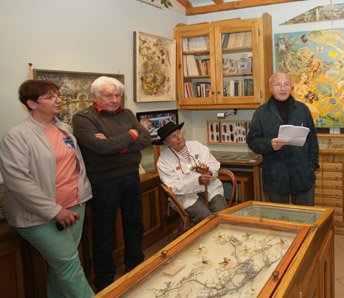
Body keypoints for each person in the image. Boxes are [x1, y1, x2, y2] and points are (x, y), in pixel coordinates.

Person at [0, 80, 94, 297]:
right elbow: (18, 182)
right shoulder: (16, 135)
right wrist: (55, 211)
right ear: (32, 103)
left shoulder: (64, 128)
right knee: (69, 265)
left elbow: (75, 167)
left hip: (74, 207)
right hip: (39, 216)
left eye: (58, 95)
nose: (58, 100)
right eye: (50, 97)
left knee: (61, 264)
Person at [72, 76, 151, 291]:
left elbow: (145, 139)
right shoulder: (82, 118)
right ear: (95, 96)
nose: (114, 100)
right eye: (109, 96)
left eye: (117, 95)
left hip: (131, 175)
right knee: (104, 232)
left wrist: (116, 142)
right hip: (103, 181)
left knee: (134, 224)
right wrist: (130, 136)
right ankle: (104, 280)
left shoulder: (127, 114)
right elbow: (101, 148)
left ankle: (134, 266)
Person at [247, 72, 319, 206]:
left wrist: (311, 167)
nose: (283, 88)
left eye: (286, 84)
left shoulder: (303, 110)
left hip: (303, 176)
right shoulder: (261, 113)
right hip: (275, 178)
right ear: (270, 88)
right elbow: (252, 141)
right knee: (280, 222)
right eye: (278, 84)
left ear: (291, 87)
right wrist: (269, 144)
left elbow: (313, 141)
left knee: (306, 220)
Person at [156, 121, 228, 225]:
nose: (179, 137)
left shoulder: (196, 146)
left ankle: (225, 238)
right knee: (204, 216)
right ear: (166, 143)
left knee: (222, 212)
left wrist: (208, 171)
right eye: (173, 137)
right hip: (186, 196)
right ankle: (206, 240)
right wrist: (197, 180)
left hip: (210, 188)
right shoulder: (164, 161)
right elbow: (173, 187)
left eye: (179, 133)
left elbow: (214, 164)